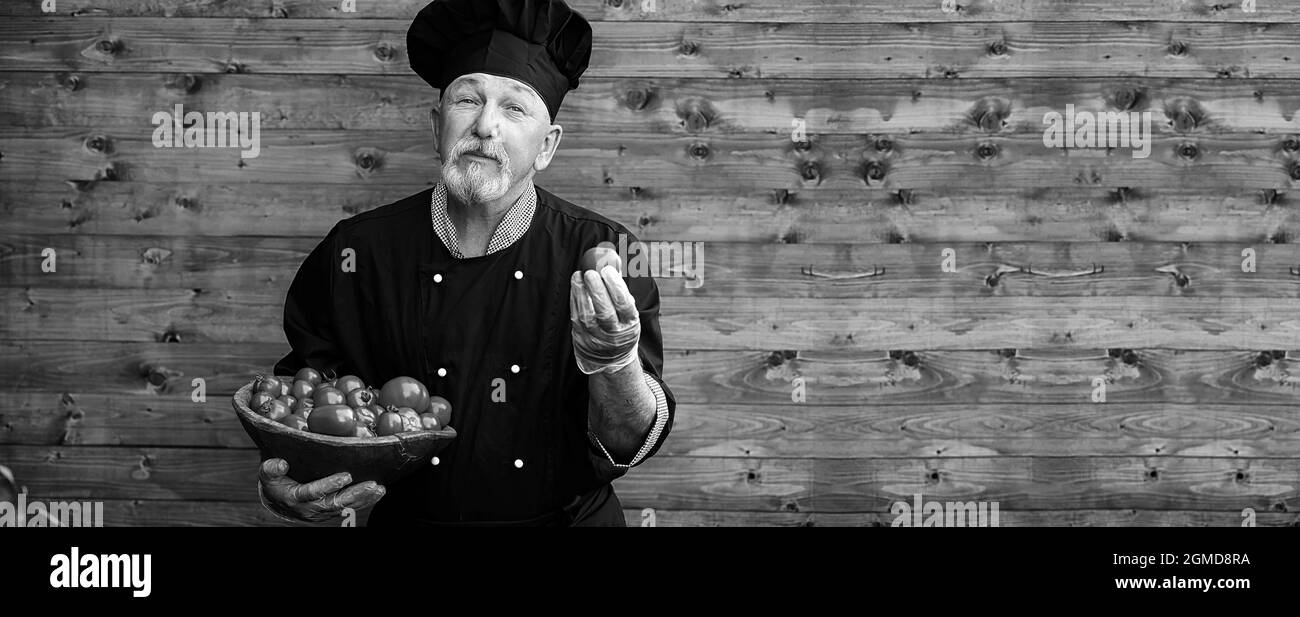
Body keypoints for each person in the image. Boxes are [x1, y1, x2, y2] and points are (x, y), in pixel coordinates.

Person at [256, 0, 675, 526]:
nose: (485, 125)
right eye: (467, 99)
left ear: (546, 147)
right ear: (437, 127)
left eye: (514, 108)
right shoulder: (356, 251)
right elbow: (306, 399)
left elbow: (631, 439)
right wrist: (289, 481)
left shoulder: (606, 253)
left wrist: (613, 363)